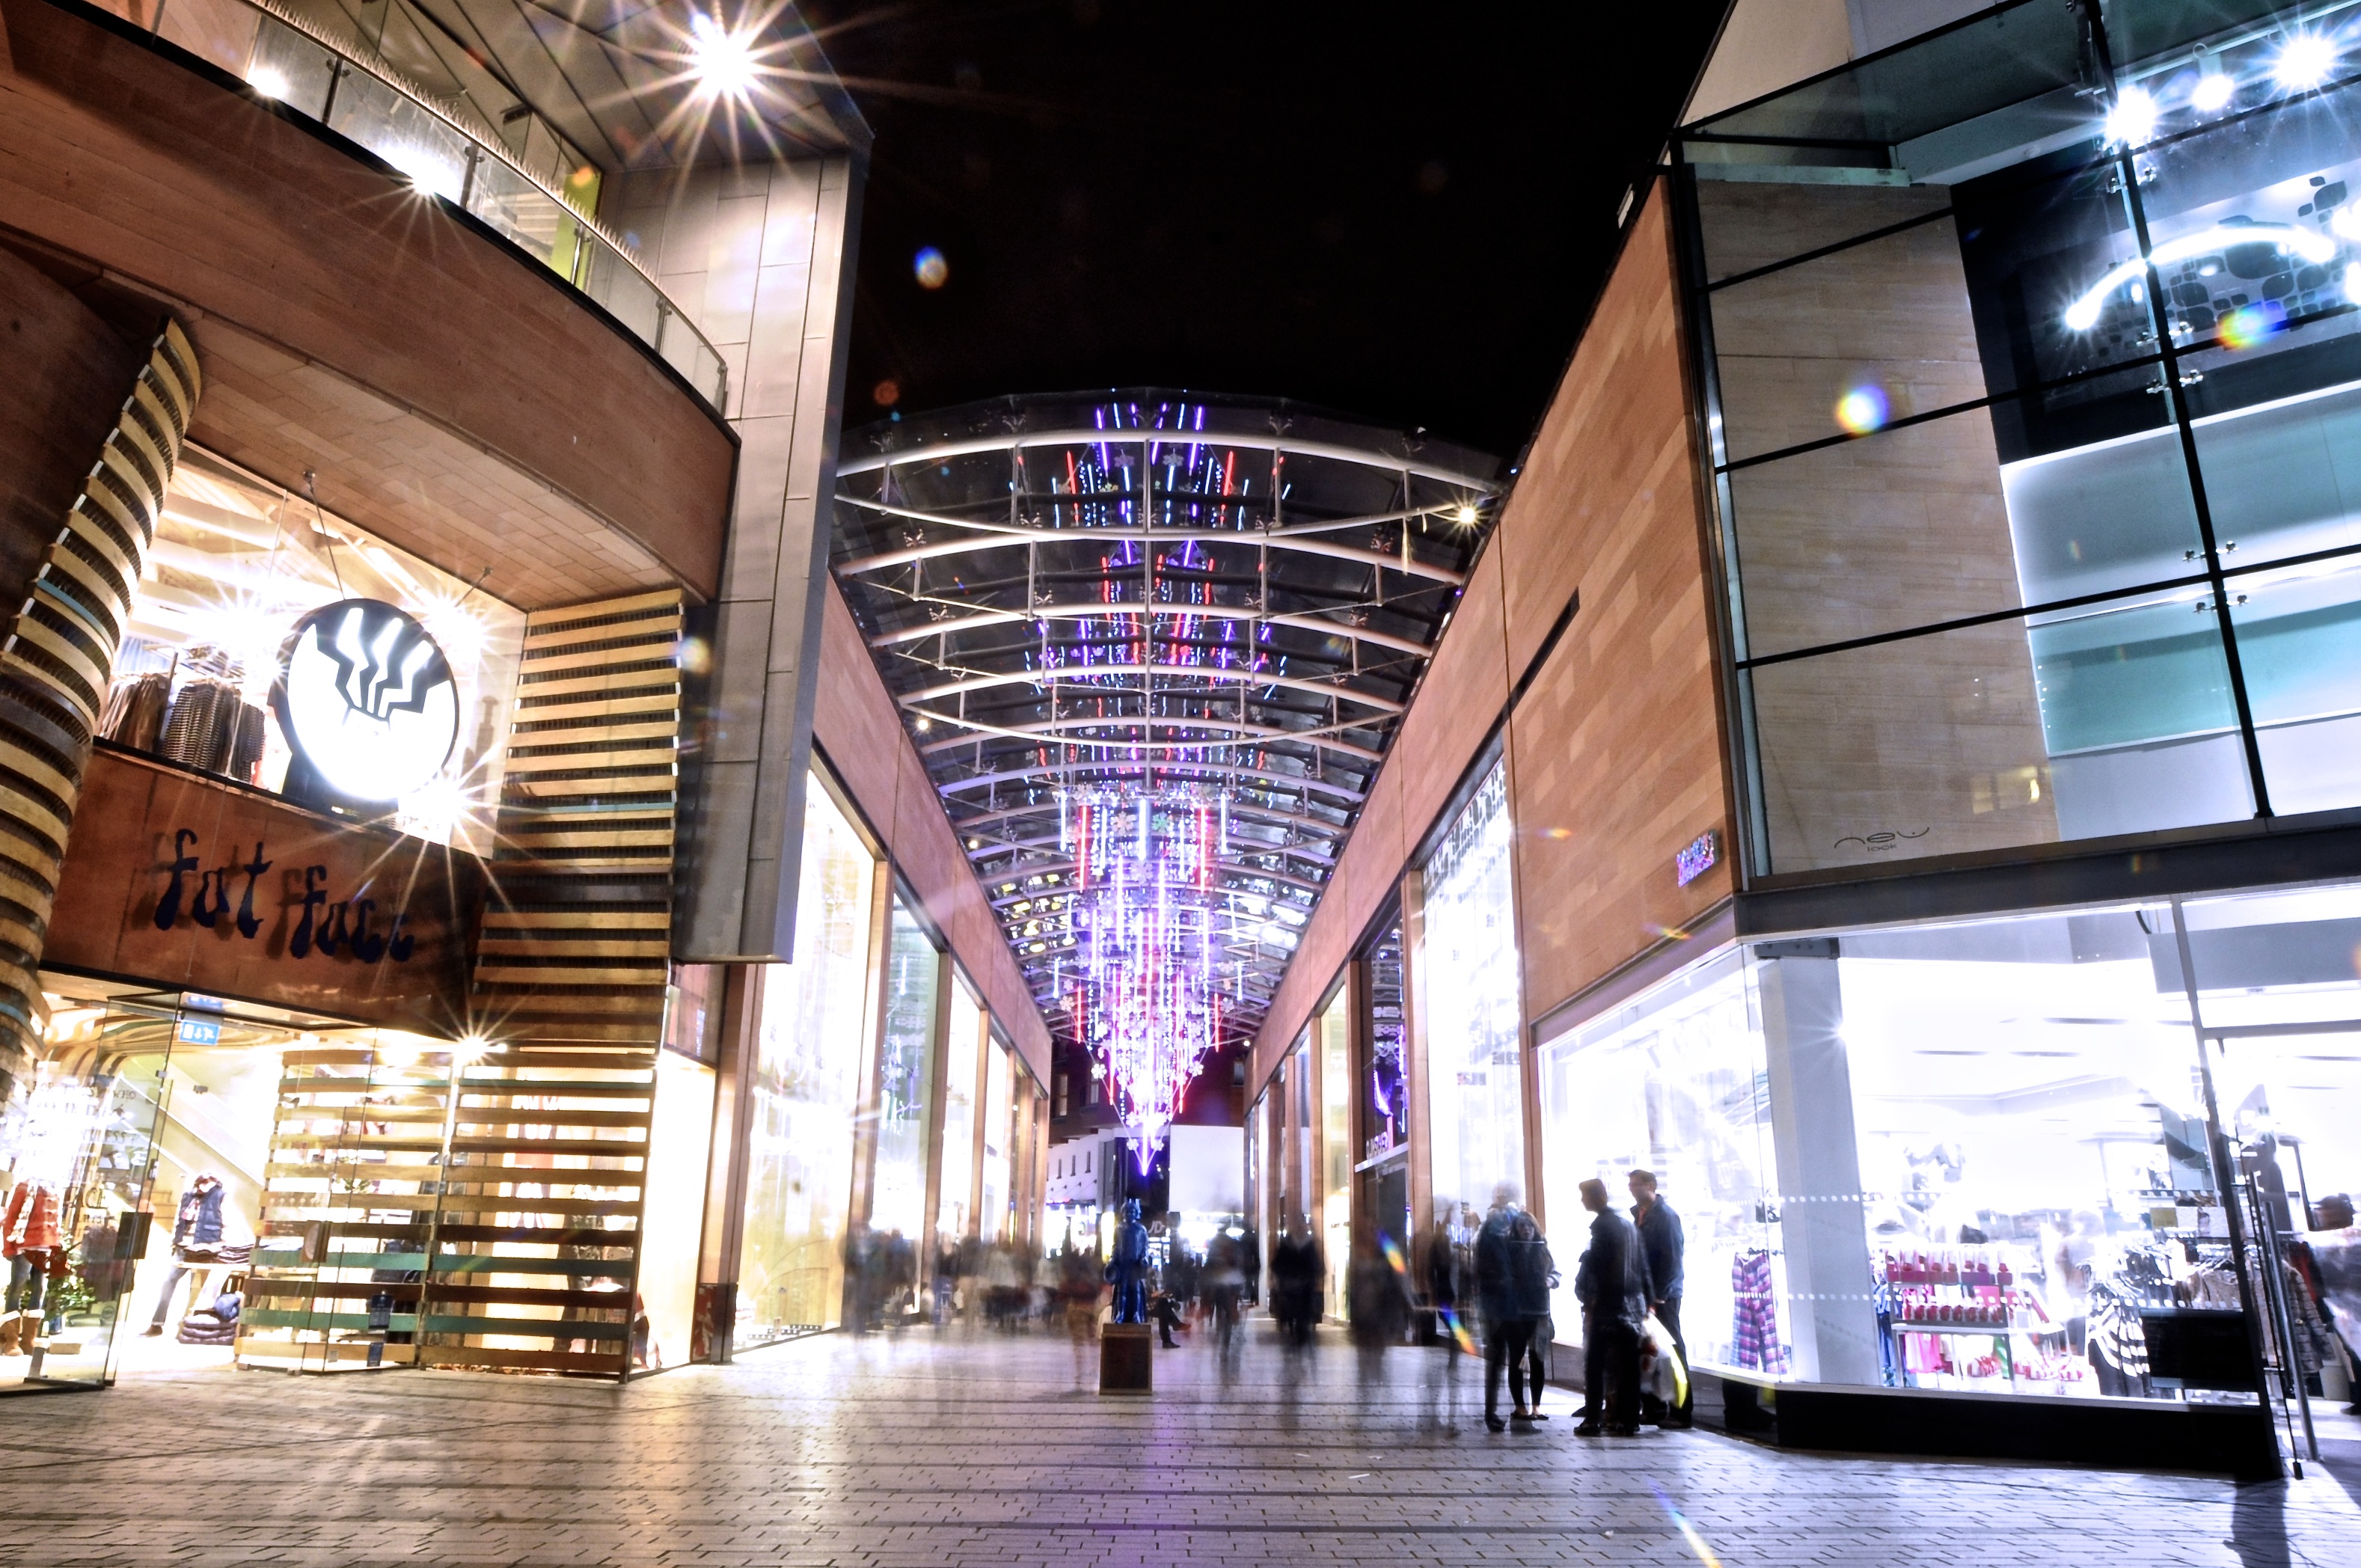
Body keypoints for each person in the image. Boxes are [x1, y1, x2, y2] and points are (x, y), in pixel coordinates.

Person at [1574, 1177, 1647, 1436]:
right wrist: (1646, 1301)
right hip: (1632, 1307)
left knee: (1596, 1364)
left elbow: (1600, 1270)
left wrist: (1591, 1302)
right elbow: (1642, 1266)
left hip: (1609, 1307)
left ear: (1594, 1197)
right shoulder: (1627, 1226)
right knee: (1628, 1366)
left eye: (1584, 1196)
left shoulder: (1602, 1228)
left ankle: (1593, 1419)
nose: (1582, 1201)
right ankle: (1629, 1419)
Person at [1472, 1182, 1537, 1432]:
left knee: (1498, 1359)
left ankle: (1494, 1412)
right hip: (1515, 1303)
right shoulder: (1517, 1220)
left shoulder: (1493, 1225)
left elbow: (1480, 1265)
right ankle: (1520, 1407)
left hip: (1497, 1303)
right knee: (1516, 1355)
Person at [1629, 1169, 1691, 1429]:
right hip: (1645, 1297)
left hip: (1662, 1298)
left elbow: (1672, 1258)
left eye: (1637, 1185)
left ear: (1651, 1185)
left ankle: (1682, 1412)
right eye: (1630, 1185)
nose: (1632, 1189)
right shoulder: (1639, 1216)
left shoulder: (1665, 1217)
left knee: (1672, 1352)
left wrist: (1660, 1296)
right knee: (1651, 1352)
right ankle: (1654, 1408)